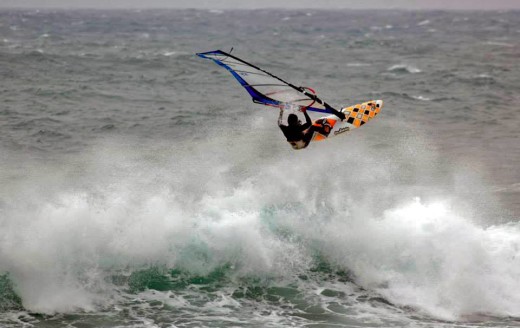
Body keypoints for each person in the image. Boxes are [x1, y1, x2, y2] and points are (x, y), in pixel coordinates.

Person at [278, 106, 346, 150]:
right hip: (303, 144)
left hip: (294, 146)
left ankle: (302, 135)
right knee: (312, 128)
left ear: (288, 121)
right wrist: (304, 112)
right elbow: (309, 123)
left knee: (299, 124)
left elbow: (279, 123)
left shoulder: (284, 128)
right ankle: (326, 131)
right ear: (294, 121)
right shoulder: (297, 128)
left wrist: (281, 111)